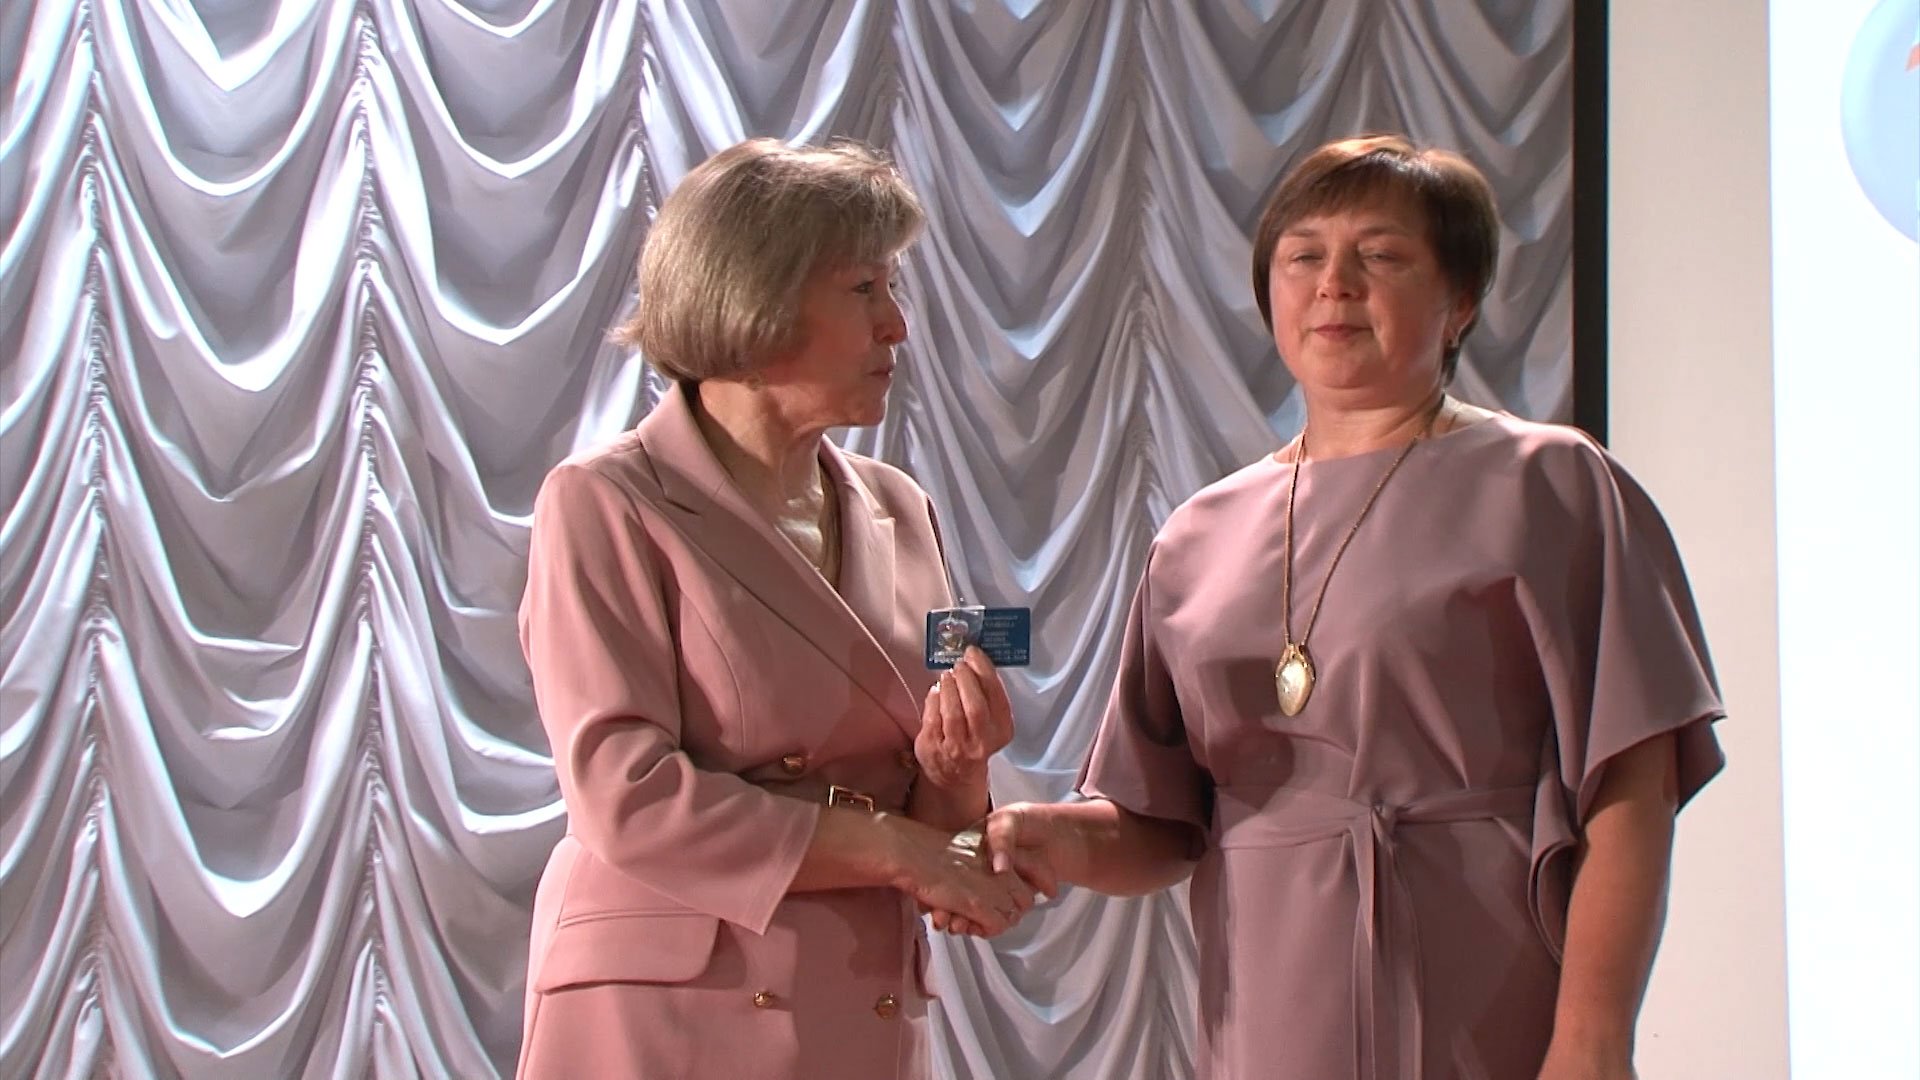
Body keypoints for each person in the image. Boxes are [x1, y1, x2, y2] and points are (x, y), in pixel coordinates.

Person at [969, 135, 1726, 1080]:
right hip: (1273, 1009)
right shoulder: (1199, 534)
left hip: (1489, 984)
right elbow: (1162, 821)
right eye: (1304, 256)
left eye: (1381, 255)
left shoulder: (1551, 483)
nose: (1334, 284)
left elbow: (1632, 784)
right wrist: (1057, 838)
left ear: (1460, 302)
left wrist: (1592, 1041)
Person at [515, 138, 1031, 1080]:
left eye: (890, 288)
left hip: (856, 992)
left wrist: (957, 773)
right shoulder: (606, 501)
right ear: (752, 304)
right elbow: (627, 796)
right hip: (670, 1008)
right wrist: (899, 852)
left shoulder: (899, 504)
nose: (897, 327)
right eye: (863, 289)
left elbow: (929, 817)